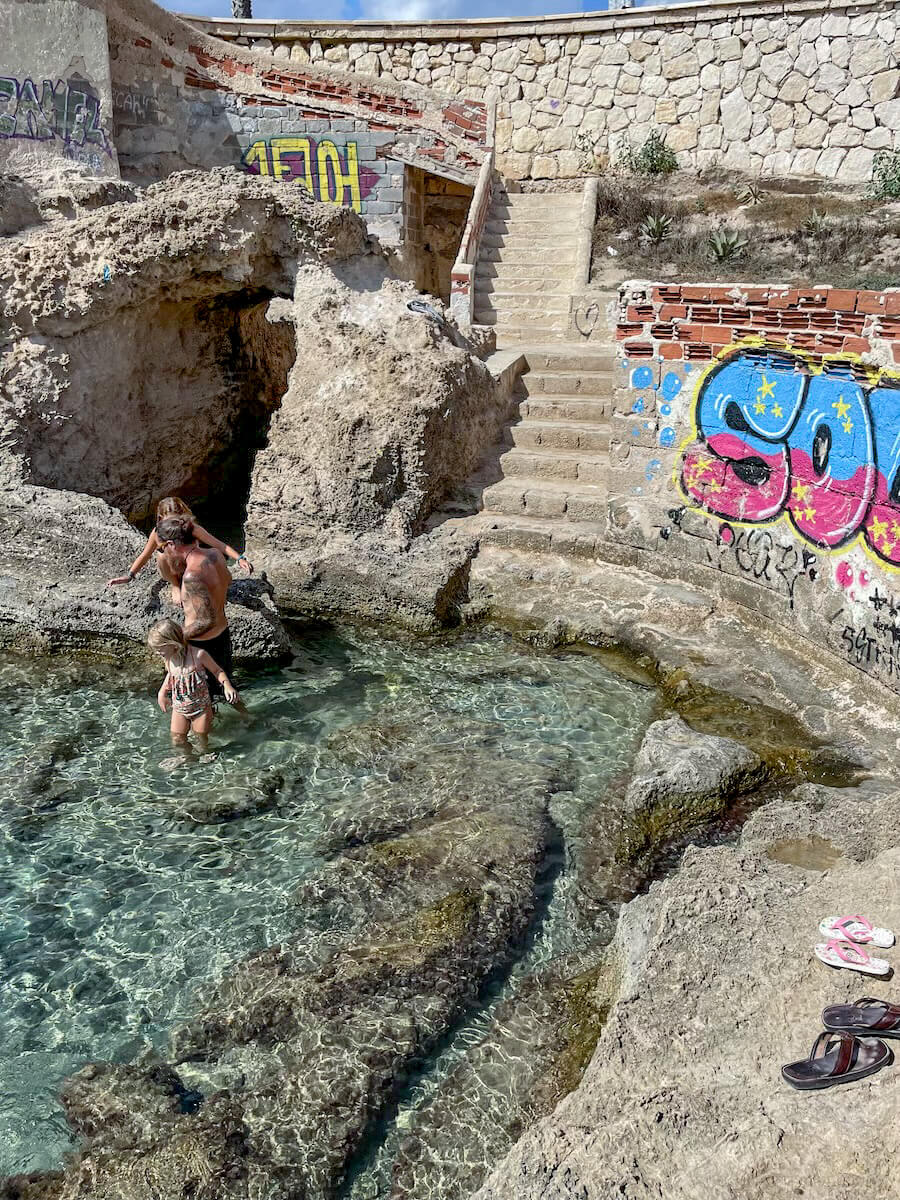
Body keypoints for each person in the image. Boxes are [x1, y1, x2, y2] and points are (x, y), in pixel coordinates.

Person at [154, 516, 238, 703]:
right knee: (226, 692)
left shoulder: (192, 576)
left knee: (200, 701)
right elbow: (228, 580)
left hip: (201, 645)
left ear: (171, 544)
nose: (163, 552)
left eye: (162, 548)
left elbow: (206, 621)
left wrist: (172, 638)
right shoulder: (215, 554)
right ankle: (246, 717)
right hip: (223, 636)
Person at [107, 497, 253, 604]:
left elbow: (219, 545)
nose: (174, 525)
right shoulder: (158, 533)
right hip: (173, 570)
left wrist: (239, 558)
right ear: (161, 518)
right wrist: (129, 576)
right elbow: (145, 555)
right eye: (170, 521)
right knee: (161, 556)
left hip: (192, 566)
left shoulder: (191, 528)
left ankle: (194, 582)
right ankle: (175, 584)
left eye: (176, 520)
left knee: (211, 555)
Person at [148, 618, 239, 751]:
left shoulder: (198, 655)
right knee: (177, 739)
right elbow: (171, 676)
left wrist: (227, 685)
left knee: (201, 738)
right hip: (179, 708)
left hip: (201, 708)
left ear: (173, 644)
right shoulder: (168, 659)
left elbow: (217, 671)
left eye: (159, 649)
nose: (157, 652)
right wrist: (162, 693)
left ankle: (205, 753)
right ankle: (186, 758)